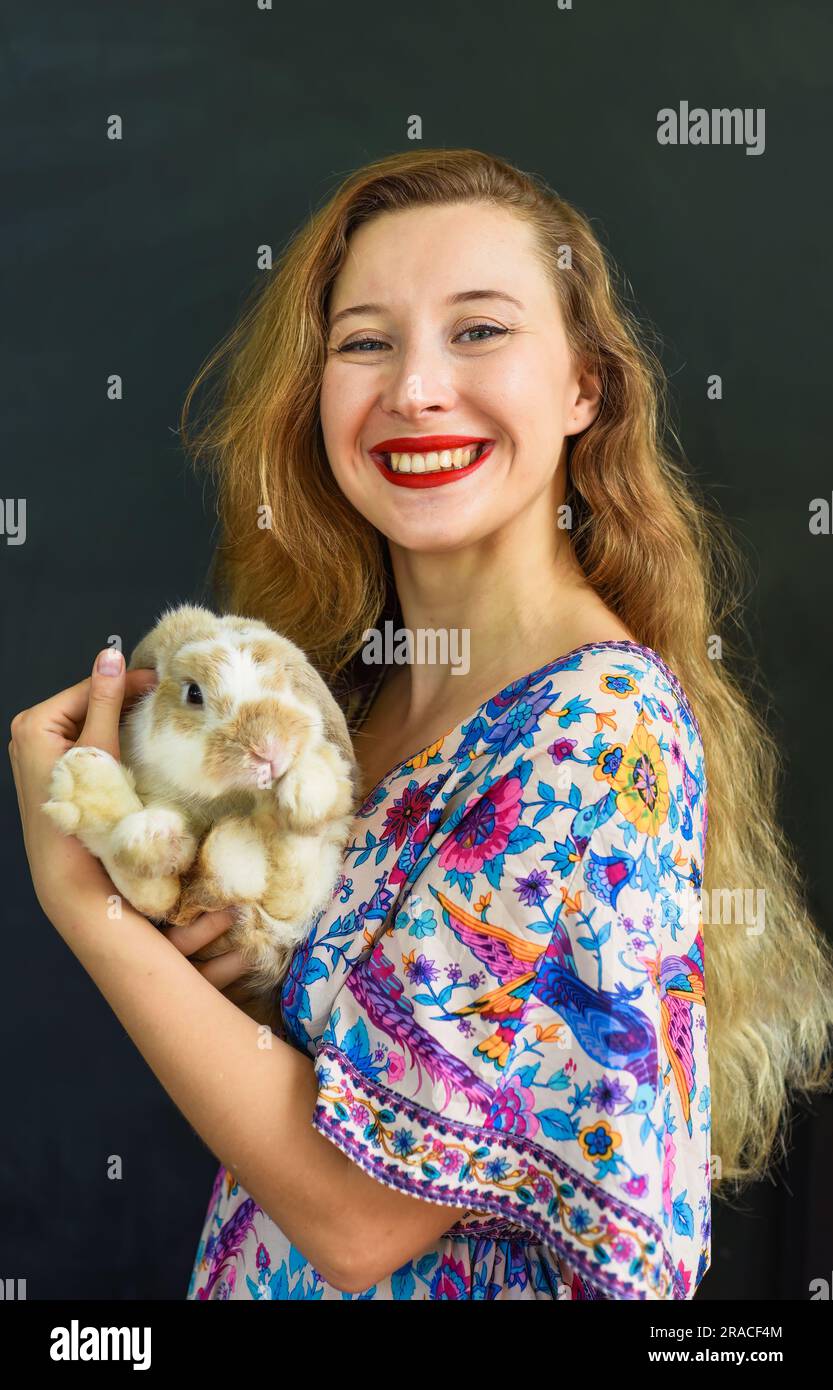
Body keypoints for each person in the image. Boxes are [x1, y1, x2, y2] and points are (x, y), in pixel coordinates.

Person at [10, 149, 833, 1301]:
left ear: (583, 389)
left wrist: (87, 908)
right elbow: (344, 1093)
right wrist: (237, 969)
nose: (414, 389)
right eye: (364, 341)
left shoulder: (589, 735)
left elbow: (356, 1217)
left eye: (479, 331)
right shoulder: (352, 706)